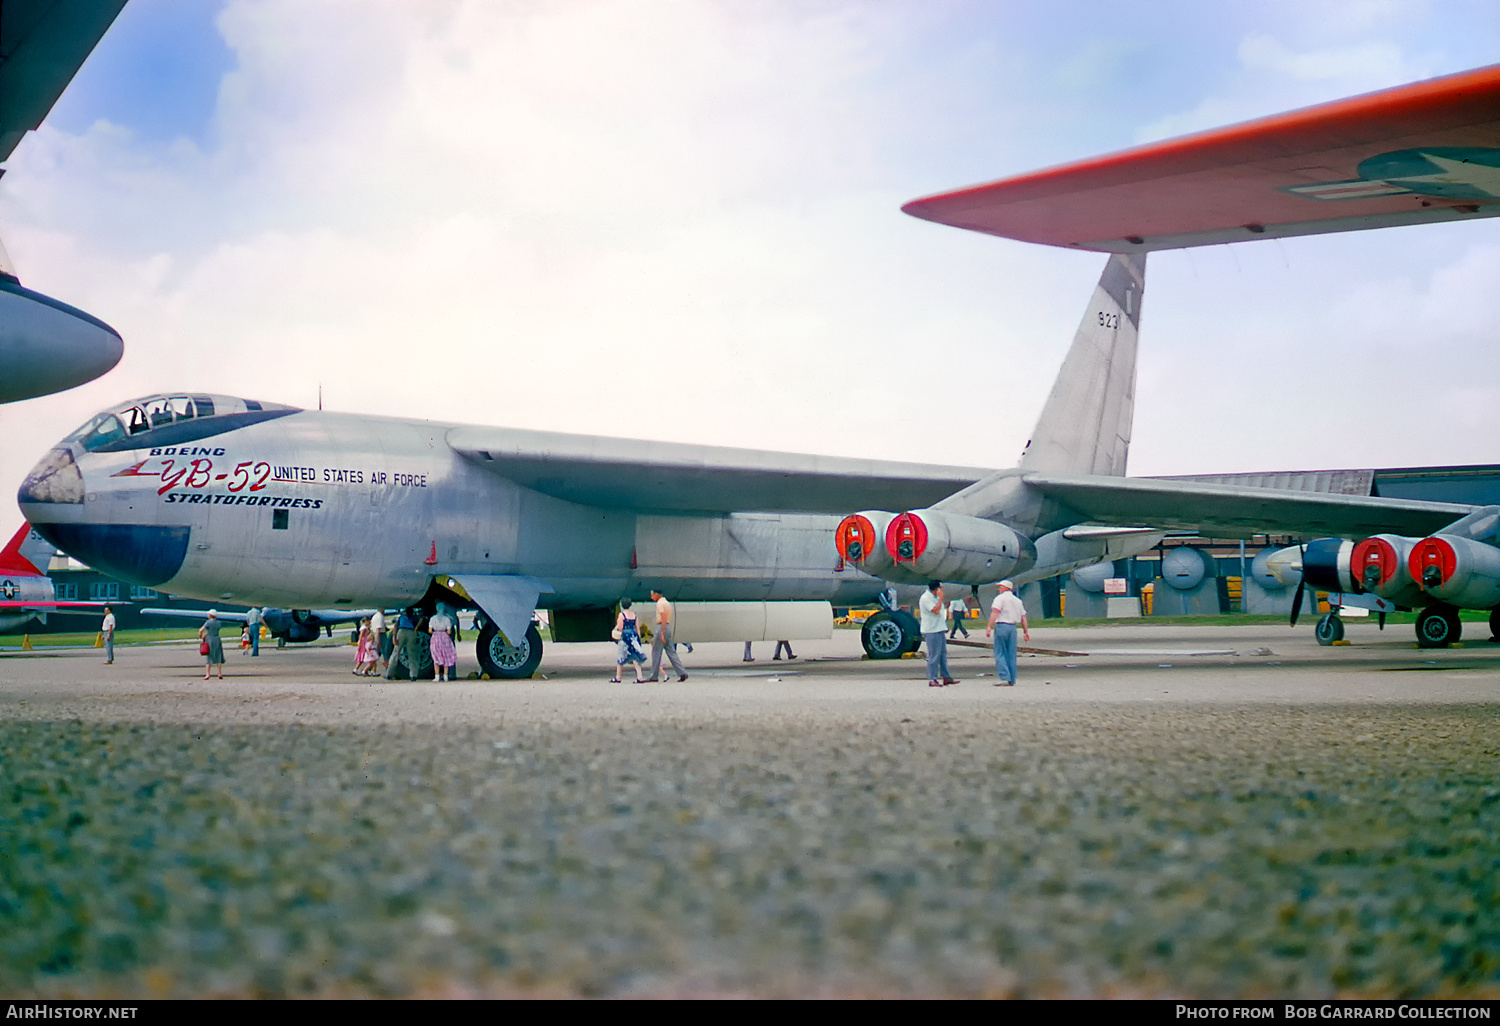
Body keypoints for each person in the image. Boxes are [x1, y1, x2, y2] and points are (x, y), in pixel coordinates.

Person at [985, 580, 1030, 686]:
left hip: (1001, 626)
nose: (999, 589)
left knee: (1000, 652)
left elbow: (995, 613)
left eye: (1000, 587)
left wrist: (989, 627)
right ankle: (1012, 678)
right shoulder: (1017, 601)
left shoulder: (999, 599)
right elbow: (1023, 618)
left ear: (1006, 588)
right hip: (1013, 628)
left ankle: (1004, 676)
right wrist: (1025, 632)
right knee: (1011, 654)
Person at [919, 580, 957, 687]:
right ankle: (932, 678)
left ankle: (946, 676)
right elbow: (935, 611)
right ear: (936, 589)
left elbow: (940, 613)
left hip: (939, 628)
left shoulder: (935, 598)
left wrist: (944, 626)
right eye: (941, 588)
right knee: (934, 655)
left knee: (942, 654)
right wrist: (941, 599)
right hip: (931, 630)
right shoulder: (926, 598)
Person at [646, 589, 688, 682]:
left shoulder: (660, 604)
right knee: (671, 651)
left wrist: (661, 632)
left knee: (656, 652)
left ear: (657, 595)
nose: (651, 597)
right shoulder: (667, 603)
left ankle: (654, 676)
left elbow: (663, 617)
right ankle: (682, 672)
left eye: (652, 595)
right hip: (668, 626)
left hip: (662, 626)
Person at [611, 599, 650, 683]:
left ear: (622, 605)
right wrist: (638, 638)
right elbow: (637, 627)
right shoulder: (634, 615)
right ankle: (640, 677)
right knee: (635, 657)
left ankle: (618, 677)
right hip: (633, 636)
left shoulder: (622, 615)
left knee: (621, 656)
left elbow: (620, 627)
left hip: (625, 636)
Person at [386, 607, 424, 680]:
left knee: (396, 653)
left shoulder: (402, 616)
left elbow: (395, 626)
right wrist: (416, 628)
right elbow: (421, 619)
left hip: (401, 631)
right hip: (411, 632)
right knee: (412, 655)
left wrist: (394, 637)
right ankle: (413, 675)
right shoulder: (413, 616)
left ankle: (389, 673)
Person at [428, 607, 458, 682]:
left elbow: (430, 630)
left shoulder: (433, 618)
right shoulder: (447, 619)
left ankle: (437, 676)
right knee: (446, 657)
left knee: (436, 657)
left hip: (435, 637)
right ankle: (445, 676)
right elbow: (449, 632)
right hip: (445, 637)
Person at [199, 609, 225, 681]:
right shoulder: (219, 623)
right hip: (217, 639)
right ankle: (219, 673)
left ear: (210, 615)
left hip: (209, 640)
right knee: (218, 656)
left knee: (209, 657)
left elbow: (201, 630)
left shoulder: (208, 623)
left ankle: (208, 674)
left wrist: (201, 636)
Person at [371, 608, 391, 672]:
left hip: (376, 634)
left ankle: (370, 666)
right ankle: (387, 666)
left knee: (374, 653)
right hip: (380, 635)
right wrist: (379, 641)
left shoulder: (375, 616)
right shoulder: (380, 617)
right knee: (386, 652)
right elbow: (378, 630)